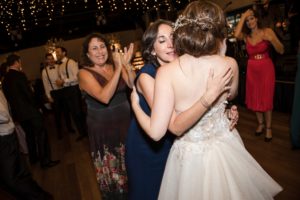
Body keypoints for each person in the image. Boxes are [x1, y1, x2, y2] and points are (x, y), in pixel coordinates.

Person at [131, 1, 282, 199]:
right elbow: (230, 95)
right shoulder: (230, 64)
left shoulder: (167, 74)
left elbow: (158, 132)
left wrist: (135, 104)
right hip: (227, 146)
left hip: (191, 157)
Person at [125, 19, 237, 200]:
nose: (170, 45)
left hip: (176, 142)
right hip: (149, 148)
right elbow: (174, 120)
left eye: (172, 37)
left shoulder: (180, 68)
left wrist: (223, 110)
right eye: (161, 41)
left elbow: (197, 102)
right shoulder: (148, 76)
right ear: (152, 50)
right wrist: (135, 106)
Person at [78, 33, 135, 200]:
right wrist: (119, 68)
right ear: (87, 54)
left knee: (131, 168)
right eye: (94, 48)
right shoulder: (84, 73)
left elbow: (132, 84)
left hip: (126, 124)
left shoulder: (114, 65)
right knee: (114, 173)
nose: (100, 51)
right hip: (104, 130)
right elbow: (104, 97)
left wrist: (127, 64)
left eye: (102, 46)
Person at [234, 8, 284, 142]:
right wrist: (243, 15)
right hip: (252, 69)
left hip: (266, 68)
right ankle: (260, 124)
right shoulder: (246, 37)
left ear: (257, 19)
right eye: (247, 20)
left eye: (252, 18)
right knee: (255, 97)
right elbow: (236, 34)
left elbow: (281, 50)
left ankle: (268, 127)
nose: (250, 22)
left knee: (266, 97)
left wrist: (273, 40)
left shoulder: (267, 31)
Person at [2, 54, 60, 169]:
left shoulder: (5, 80)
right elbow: (28, 94)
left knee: (29, 135)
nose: (20, 64)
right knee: (41, 134)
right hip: (30, 111)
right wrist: (38, 107)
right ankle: (45, 161)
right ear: (17, 62)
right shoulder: (20, 75)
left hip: (19, 114)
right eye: (19, 61)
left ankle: (33, 159)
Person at [0, 89, 53, 200]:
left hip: (4, 138)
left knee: (13, 180)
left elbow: (3, 115)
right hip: (7, 135)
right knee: (16, 177)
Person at [55, 46, 87, 141]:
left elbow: (77, 77)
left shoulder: (71, 62)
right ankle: (81, 132)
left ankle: (86, 131)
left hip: (73, 89)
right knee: (73, 113)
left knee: (78, 112)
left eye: (58, 52)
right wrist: (60, 82)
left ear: (64, 53)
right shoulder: (59, 66)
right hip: (66, 90)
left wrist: (64, 80)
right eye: (56, 52)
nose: (56, 54)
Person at [41, 53, 74, 139]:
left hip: (63, 91)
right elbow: (45, 85)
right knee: (57, 114)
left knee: (67, 112)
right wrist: (49, 97)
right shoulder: (44, 71)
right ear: (46, 61)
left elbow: (64, 77)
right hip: (54, 93)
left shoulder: (59, 66)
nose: (51, 60)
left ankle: (70, 128)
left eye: (52, 58)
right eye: (48, 59)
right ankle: (59, 132)